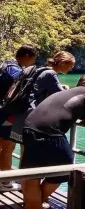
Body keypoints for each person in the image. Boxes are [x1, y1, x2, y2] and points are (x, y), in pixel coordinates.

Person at [21, 73, 85, 209]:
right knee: (65, 170)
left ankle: (32, 204)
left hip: (29, 128)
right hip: (50, 132)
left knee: (32, 173)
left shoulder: (68, 92)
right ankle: (35, 204)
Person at [8, 51, 75, 146]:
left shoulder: (41, 70)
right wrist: (67, 89)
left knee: (26, 149)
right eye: (71, 65)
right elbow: (63, 96)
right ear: (63, 63)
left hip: (21, 113)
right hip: (31, 117)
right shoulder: (51, 74)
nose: (71, 68)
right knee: (32, 149)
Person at [0, 44, 39, 191]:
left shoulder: (6, 65)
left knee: (3, 147)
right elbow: (21, 92)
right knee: (8, 147)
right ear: (28, 56)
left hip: (2, 112)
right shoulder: (16, 72)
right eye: (33, 59)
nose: (33, 63)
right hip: (10, 114)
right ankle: (5, 182)